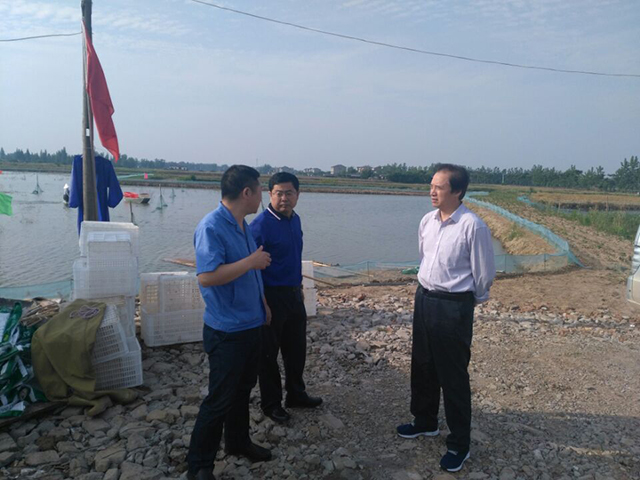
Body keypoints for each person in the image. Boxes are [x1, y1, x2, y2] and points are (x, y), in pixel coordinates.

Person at [396, 164, 495, 473]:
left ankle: (459, 444)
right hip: (424, 298)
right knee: (423, 365)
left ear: (458, 191)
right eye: (431, 186)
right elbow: (425, 258)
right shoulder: (427, 221)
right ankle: (425, 421)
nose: (432, 192)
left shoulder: (472, 226)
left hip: (454, 305)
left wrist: (464, 303)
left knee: (452, 375)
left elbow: (483, 274)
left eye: (439, 187)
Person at [186, 165, 273, 480]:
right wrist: (251, 261)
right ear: (247, 192)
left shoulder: (242, 225)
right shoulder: (211, 226)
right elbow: (207, 277)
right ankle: (199, 466)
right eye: (260, 190)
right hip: (227, 330)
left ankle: (238, 443)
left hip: (251, 323)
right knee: (219, 399)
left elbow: (250, 274)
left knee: (243, 390)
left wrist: (263, 304)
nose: (262, 196)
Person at [250, 172, 322, 424]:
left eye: (289, 193)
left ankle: (296, 394)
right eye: (278, 193)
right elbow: (251, 268)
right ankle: (271, 404)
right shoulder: (260, 225)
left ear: (298, 195)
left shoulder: (295, 219)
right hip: (270, 296)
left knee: (296, 349)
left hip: (293, 293)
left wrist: (299, 286)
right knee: (268, 354)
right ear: (269, 194)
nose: (284, 198)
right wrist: (262, 301)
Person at [68, 154, 123, 234]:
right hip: (101, 207)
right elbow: (116, 194)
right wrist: (111, 202)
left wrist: (74, 201)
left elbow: (74, 196)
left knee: (86, 236)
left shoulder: (78, 162)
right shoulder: (105, 164)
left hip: (85, 208)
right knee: (101, 235)